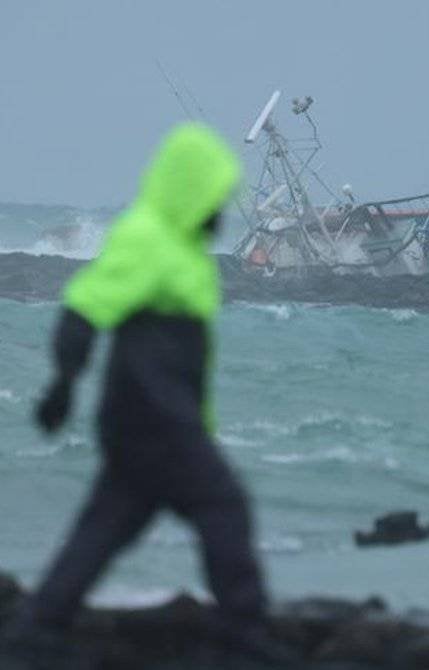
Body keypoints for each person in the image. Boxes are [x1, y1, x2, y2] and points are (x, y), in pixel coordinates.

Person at [5, 124, 285, 660]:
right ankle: (241, 634)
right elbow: (85, 307)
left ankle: (39, 627)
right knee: (223, 505)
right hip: (153, 415)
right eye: (212, 196)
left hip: (153, 416)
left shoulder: (185, 247)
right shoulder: (147, 237)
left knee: (108, 524)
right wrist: (64, 384)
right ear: (188, 190)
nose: (219, 210)